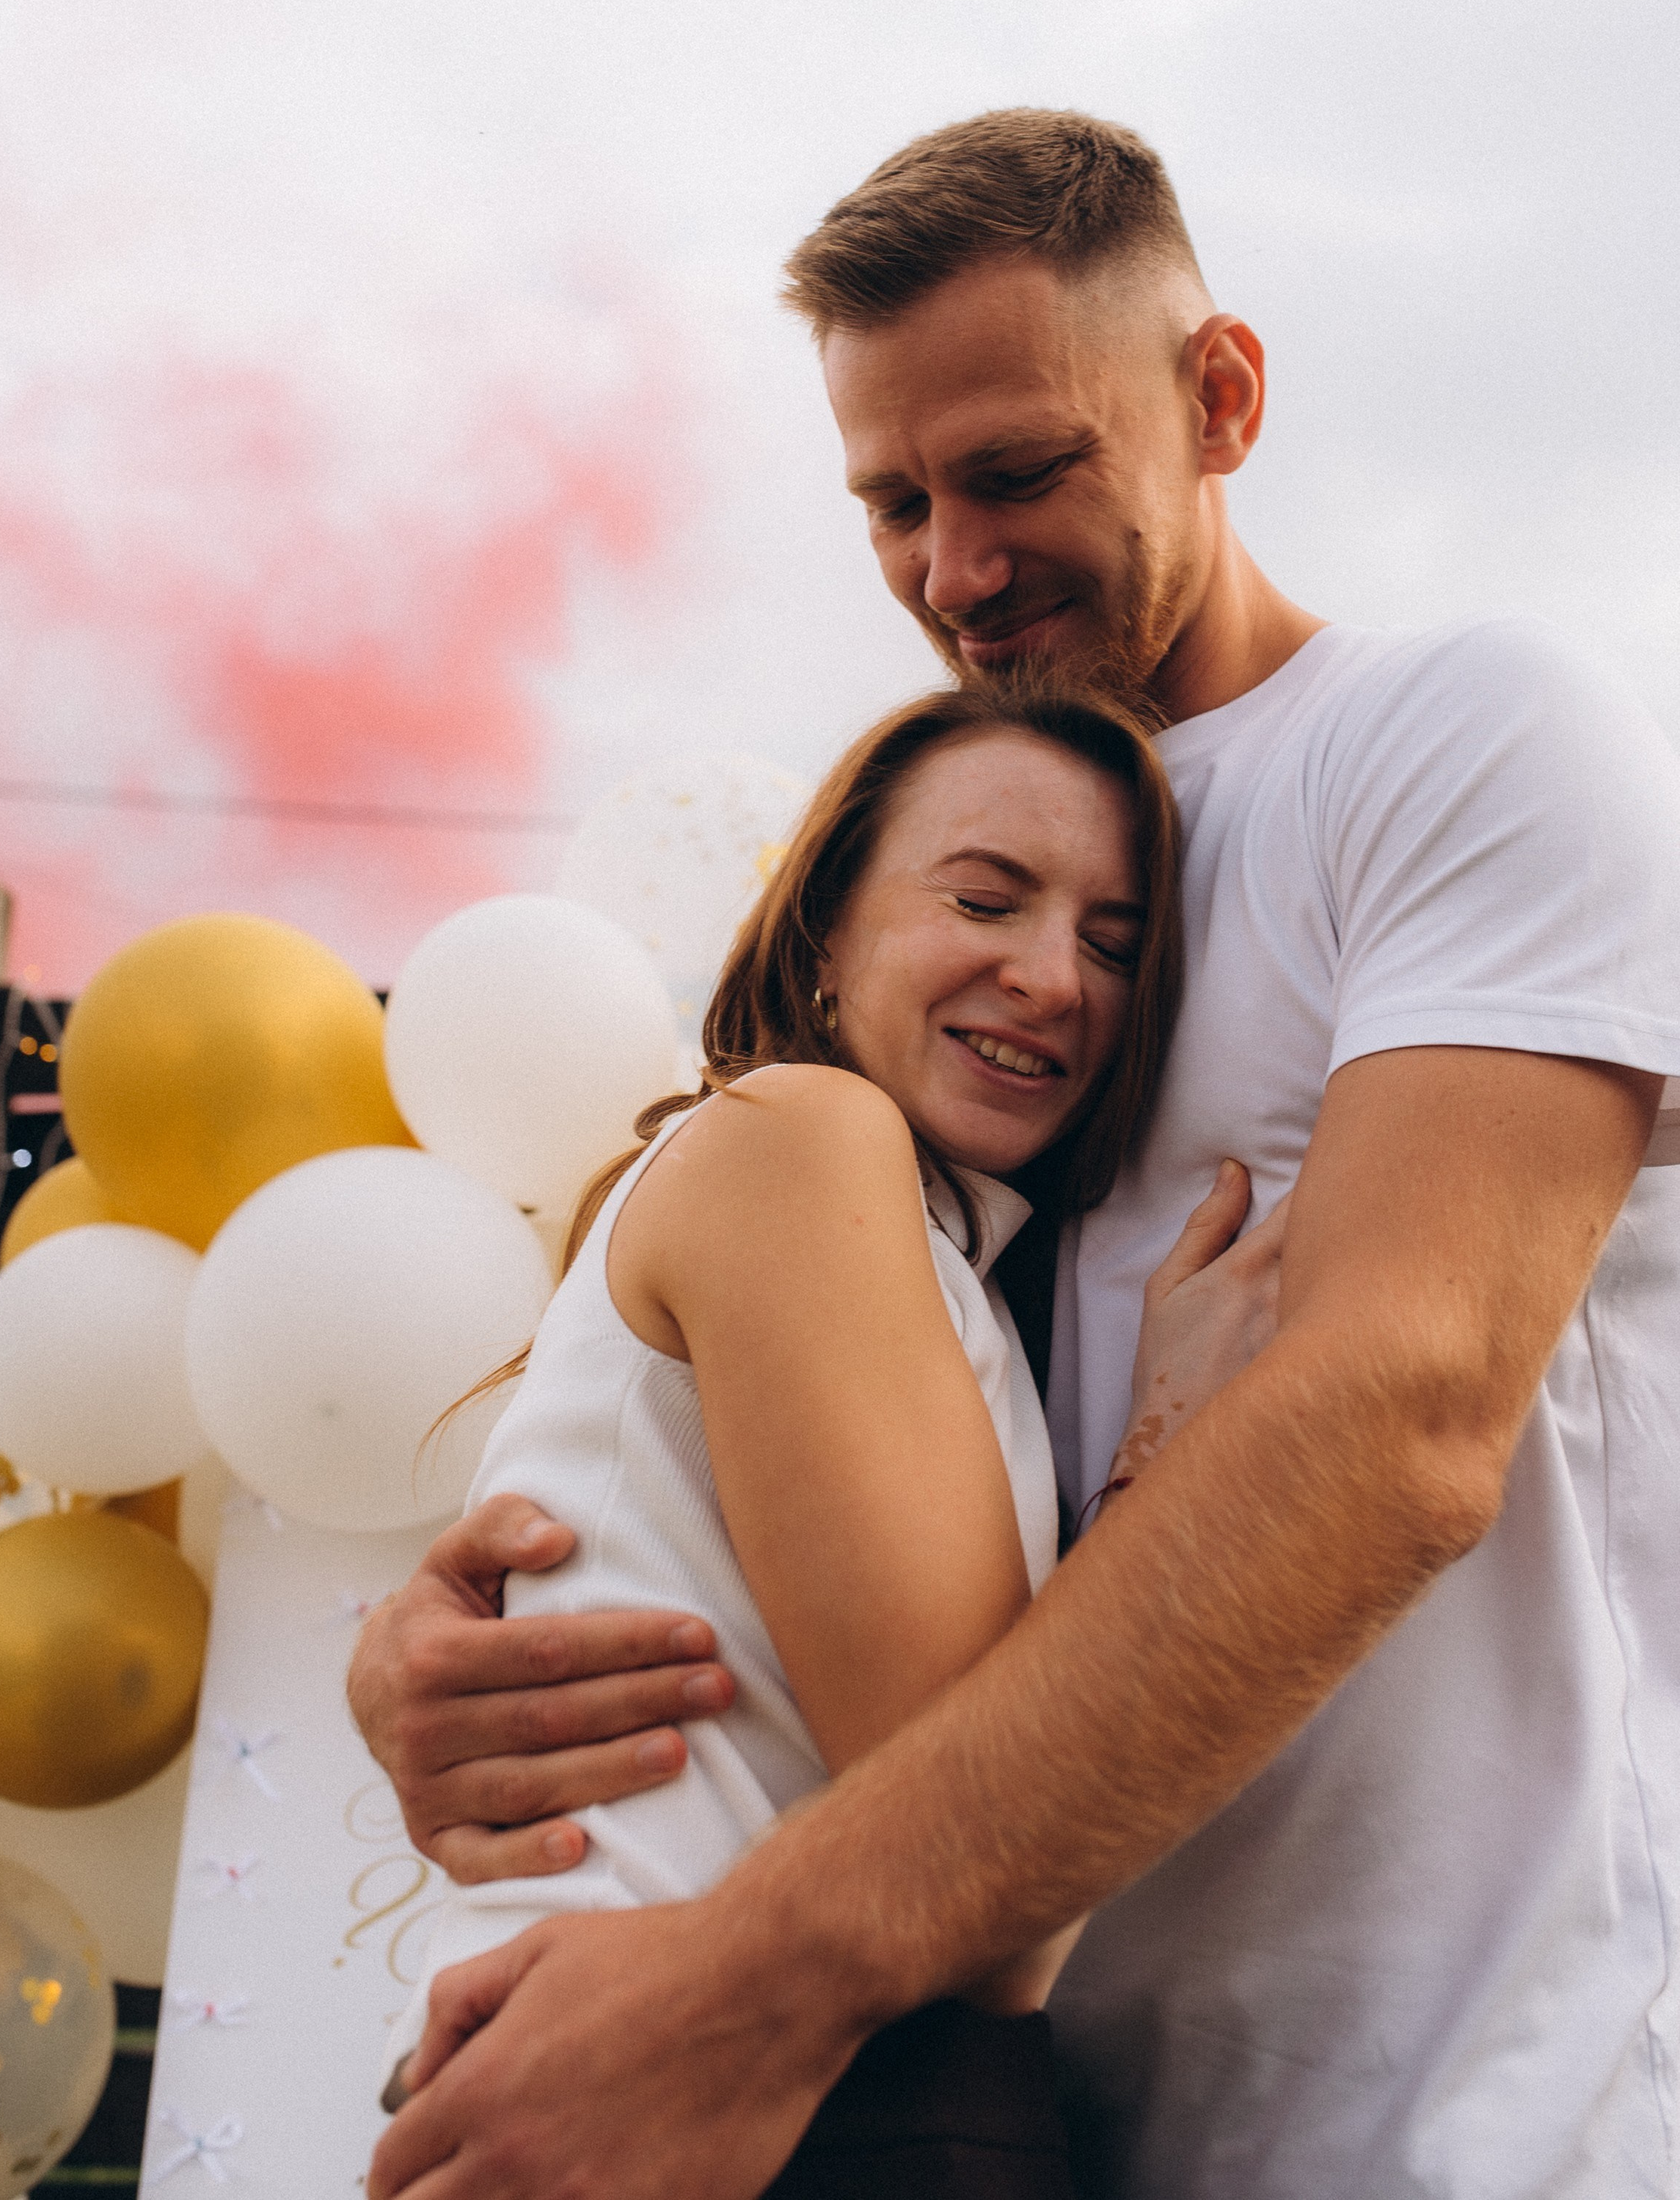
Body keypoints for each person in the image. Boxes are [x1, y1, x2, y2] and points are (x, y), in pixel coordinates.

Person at [359, 111, 1680, 2200]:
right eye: (891, 502)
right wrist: (447, 1651)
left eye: (1016, 470)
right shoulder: (949, 954)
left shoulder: (1464, 739)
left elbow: (1399, 1413)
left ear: (1217, 397)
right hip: (1032, 2121)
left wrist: (744, 1987)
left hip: (1473, 2112)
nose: (952, 570)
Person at [378, 675, 1285, 2196]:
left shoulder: (942, 1269)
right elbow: (988, 1871)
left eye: (1114, 944)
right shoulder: (799, 1135)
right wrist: (1171, 1445)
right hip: (706, 2092)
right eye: (983, 898)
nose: (1051, 977)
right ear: (821, 937)